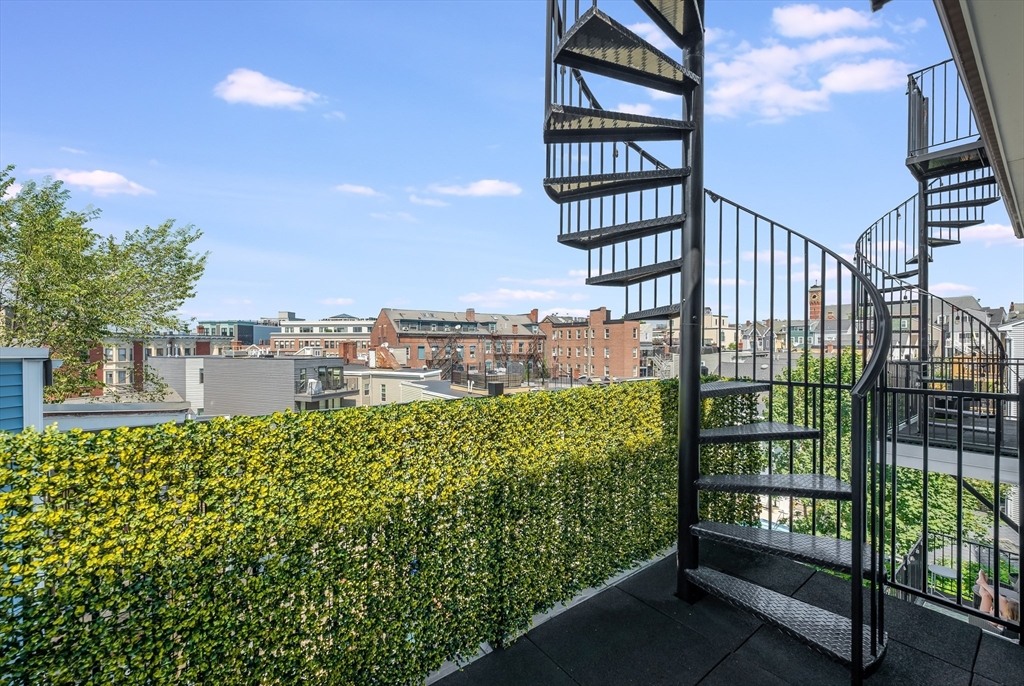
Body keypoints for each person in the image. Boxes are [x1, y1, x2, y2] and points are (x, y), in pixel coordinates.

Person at [977, 569, 1020, 638]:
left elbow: (995, 625)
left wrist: (993, 616)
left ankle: (983, 583)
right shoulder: (1010, 619)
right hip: (999, 619)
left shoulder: (1009, 628)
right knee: (999, 599)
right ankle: (983, 583)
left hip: (989, 626)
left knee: (986, 596)